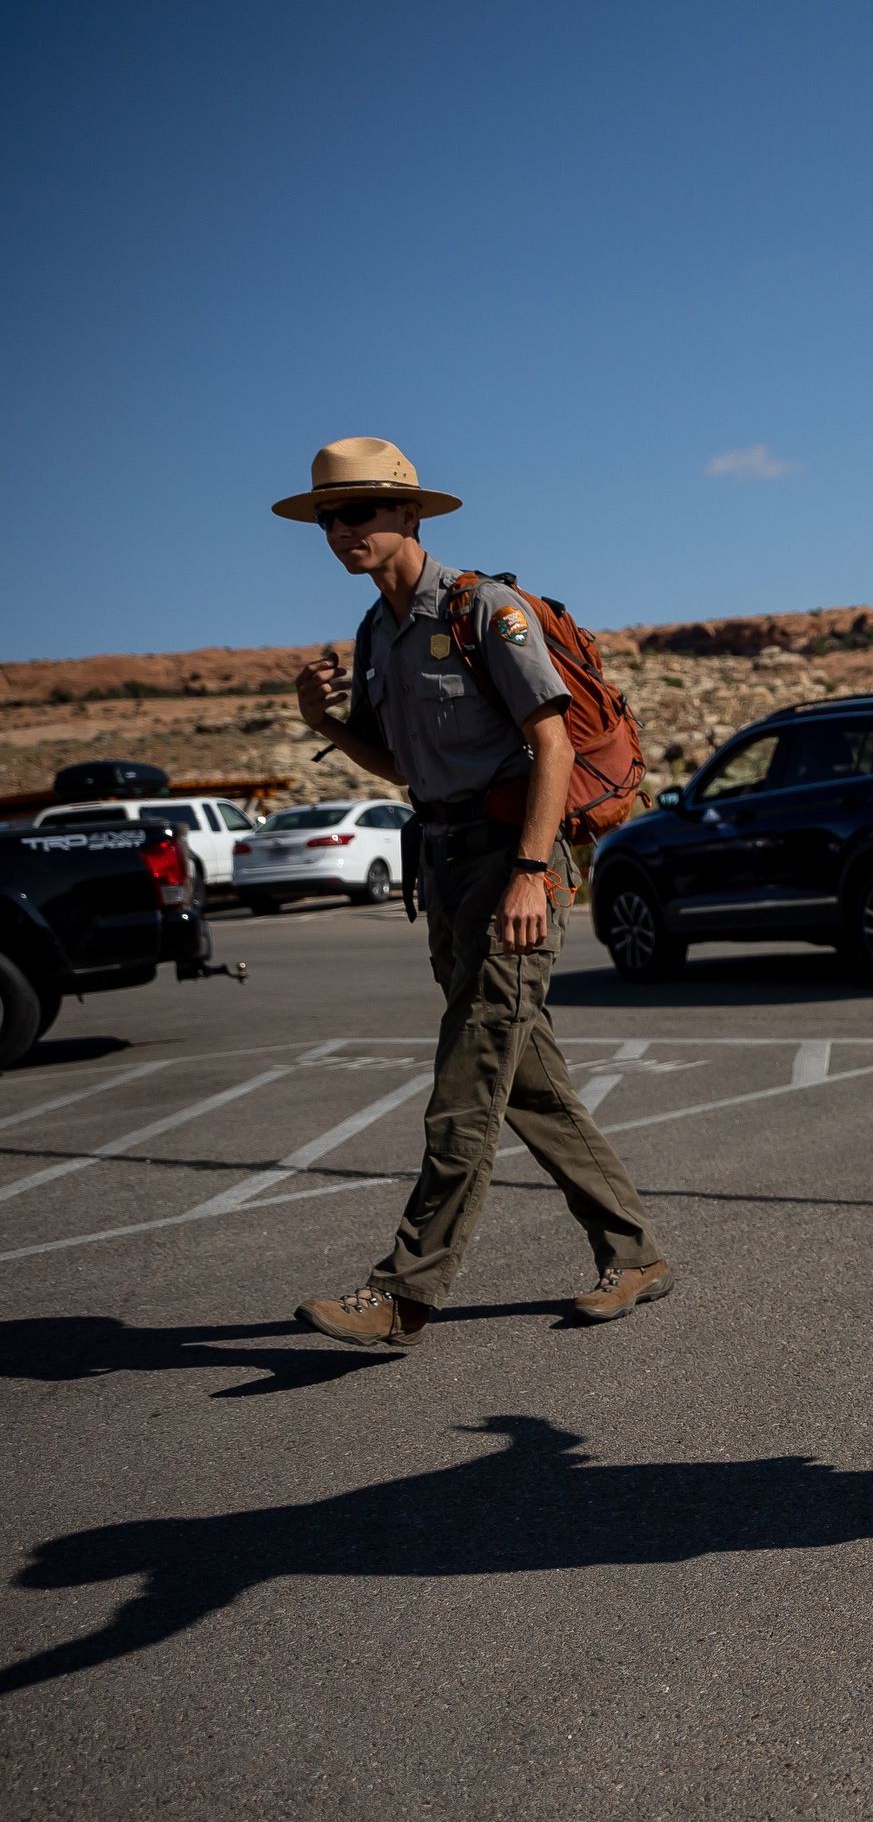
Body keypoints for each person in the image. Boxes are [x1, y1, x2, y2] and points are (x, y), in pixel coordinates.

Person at [276, 437, 671, 1345]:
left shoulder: (487, 612)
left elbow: (555, 744)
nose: (343, 531)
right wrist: (319, 721)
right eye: (331, 518)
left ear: (409, 515)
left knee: (466, 1078)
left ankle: (404, 1291)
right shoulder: (378, 634)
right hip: (445, 864)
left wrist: (532, 875)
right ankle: (637, 1251)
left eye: (361, 512)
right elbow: (405, 767)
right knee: (525, 1079)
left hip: (512, 862)